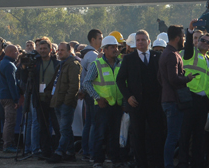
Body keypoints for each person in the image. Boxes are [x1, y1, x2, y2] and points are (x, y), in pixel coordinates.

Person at [117, 30, 163, 168]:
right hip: (136, 104)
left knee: (157, 135)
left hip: (155, 104)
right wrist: (128, 97)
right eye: (138, 40)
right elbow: (120, 80)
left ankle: (157, 163)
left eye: (143, 40)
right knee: (138, 136)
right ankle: (141, 164)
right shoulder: (129, 59)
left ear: (149, 42)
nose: (140, 42)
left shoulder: (157, 56)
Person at [158, 25, 197, 168]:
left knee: (173, 136)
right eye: (183, 37)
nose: (184, 40)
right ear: (177, 38)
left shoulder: (167, 53)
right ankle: (168, 164)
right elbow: (173, 79)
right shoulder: (172, 55)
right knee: (173, 137)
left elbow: (160, 77)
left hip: (169, 99)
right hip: (173, 101)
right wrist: (187, 78)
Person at [83, 35, 124, 168]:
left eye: (116, 47)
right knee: (99, 134)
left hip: (117, 105)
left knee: (115, 134)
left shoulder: (120, 64)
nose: (115, 49)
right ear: (104, 50)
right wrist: (97, 97)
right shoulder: (97, 64)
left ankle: (115, 159)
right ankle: (98, 160)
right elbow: (87, 83)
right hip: (102, 106)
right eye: (112, 47)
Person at [180, 21, 209, 168]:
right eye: (202, 40)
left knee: (199, 135)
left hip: (203, 102)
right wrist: (190, 30)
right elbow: (188, 44)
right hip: (190, 98)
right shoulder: (191, 53)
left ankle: (197, 163)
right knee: (185, 133)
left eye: (208, 42)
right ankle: (182, 163)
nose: (204, 43)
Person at [49, 42, 81, 163]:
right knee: (66, 129)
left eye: (62, 50)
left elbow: (74, 86)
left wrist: (67, 101)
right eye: (59, 50)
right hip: (58, 101)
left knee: (64, 129)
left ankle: (59, 152)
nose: (59, 52)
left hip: (65, 103)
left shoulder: (72, 64)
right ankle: (70, 152)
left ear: (69, 51)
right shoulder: (61, 64)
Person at [80, 29, 103, 162]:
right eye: (100, 38)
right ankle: (91, 152)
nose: (101, 41)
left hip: (86, 93)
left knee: (88, 123)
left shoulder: (86, 55)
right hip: (92, 93)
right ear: (93, 40)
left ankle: (86, 151)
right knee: (93, 123)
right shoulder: (93, 56)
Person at [0, 44, 20, 153]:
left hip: (2, 95)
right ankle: (8, 144)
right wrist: (16, 99)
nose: (18, 53)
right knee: (10, 122)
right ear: (10, 52)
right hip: (9, 96)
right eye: (16, 51)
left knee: (7, 121)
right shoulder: (10, 65)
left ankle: (7, 143)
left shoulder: (0, 63)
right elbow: (12, 84)